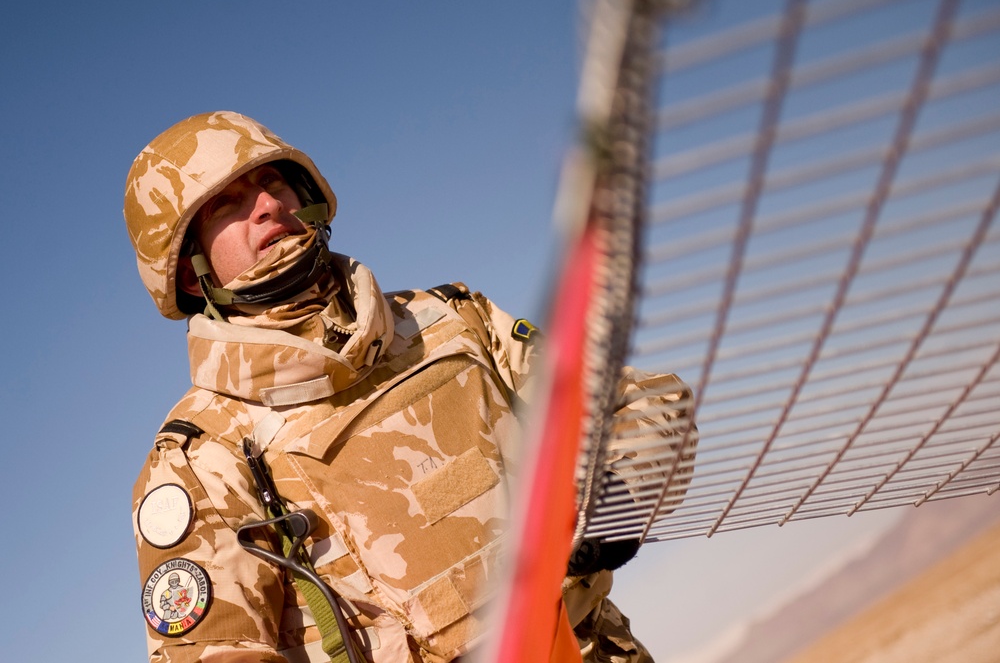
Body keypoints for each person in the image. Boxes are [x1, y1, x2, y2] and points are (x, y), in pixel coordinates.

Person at [125, 111, 694, 663]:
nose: (268, 205)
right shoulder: (203, 454)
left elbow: (645, 400)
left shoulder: (448, 320)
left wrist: (617, 496)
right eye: (228, 204)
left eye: (272, 181)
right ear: (185, 267)